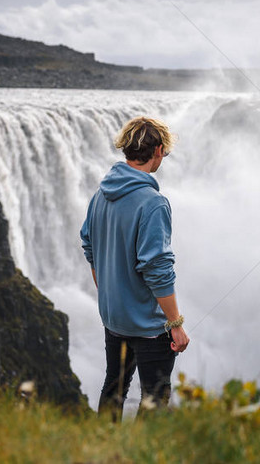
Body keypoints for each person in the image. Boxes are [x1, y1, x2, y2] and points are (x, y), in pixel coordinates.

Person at [80, 116, 190, 421]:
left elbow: (90, 249)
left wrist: (113, 295)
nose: (162, 160)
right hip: (148, 326)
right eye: (164, 153)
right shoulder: (152, 203)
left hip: (114, 317)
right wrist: (175, 324)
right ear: (156, 150)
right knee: (155, 397)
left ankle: (103, 449)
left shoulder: (99, 195)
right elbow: (157, 268)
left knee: (113, 388)